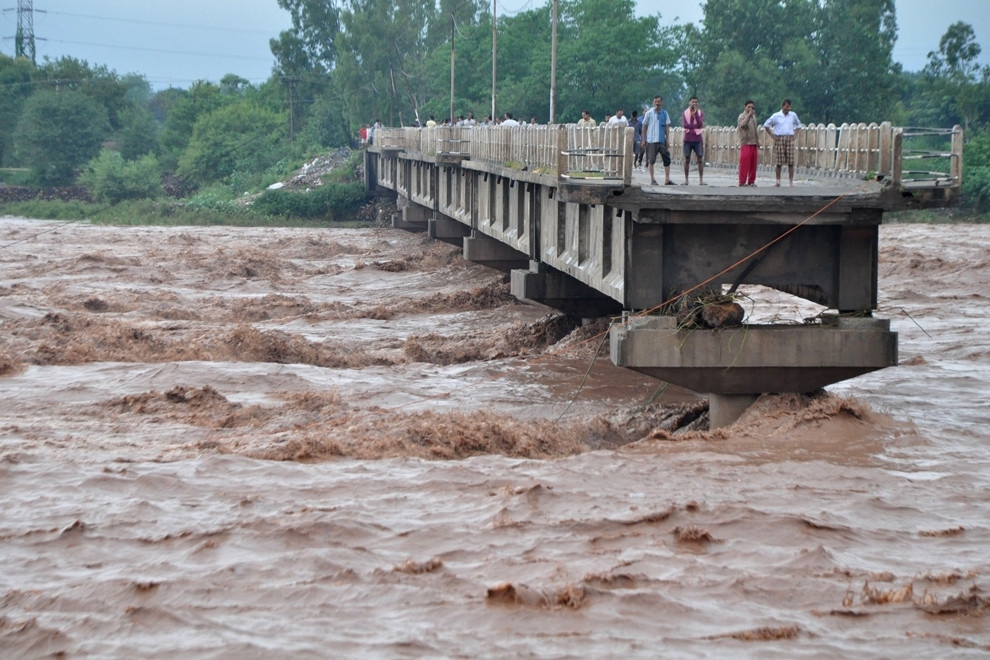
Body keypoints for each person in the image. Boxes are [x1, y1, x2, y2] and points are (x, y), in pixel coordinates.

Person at [763, 99, 803, 186]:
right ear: (783, 106)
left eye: (789, 106)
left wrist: (795, 135)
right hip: (779, 138)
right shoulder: (776, 116)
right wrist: (772, 135)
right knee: (779, 161)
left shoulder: (793, 115)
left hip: (789, 138)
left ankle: (791, 182)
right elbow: (766, 125)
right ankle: (778, 181)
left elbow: (799, 125)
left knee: (791, 161)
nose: (788, 108)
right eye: (787, 106)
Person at [641, 95, 674, 186]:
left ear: (661, 103)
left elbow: (667, 126)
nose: (657, 103)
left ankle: (667, 179)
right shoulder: (649, 113)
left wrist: (667, 139)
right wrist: (643, 139)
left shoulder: (665, 113)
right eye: (655, 101)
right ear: (653, 102)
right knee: (651, 160)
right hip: (651, 140)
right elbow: (644, 126)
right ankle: (652, 179)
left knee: (666, 159)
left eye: (659, 101)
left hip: (661, 140)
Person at [682, 96, 705, 185]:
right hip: (687, 138)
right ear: (689, 102)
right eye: (693, 102)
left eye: (696, 102)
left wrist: (695, 114)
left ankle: (701, 179)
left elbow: (700, 124)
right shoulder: (685, 113)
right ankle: (686, 179)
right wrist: (694, 126)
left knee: (700, 159)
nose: (694, 103)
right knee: (687, 159)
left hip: (697, 138)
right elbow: (685, 125)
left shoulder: (700, 113)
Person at [736, 99, 759, 186]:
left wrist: (757, 141)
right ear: (745, 107)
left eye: (752, 107)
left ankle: (751, 181)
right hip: (746, 143)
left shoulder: (754, 117)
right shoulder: (742, 116)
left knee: (753, 164)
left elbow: (755, 131)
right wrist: (748, 115)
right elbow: (742, 125)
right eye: (748, 107)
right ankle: (742, 181)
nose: (750, 108)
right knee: (744, 163)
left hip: (753, 143)